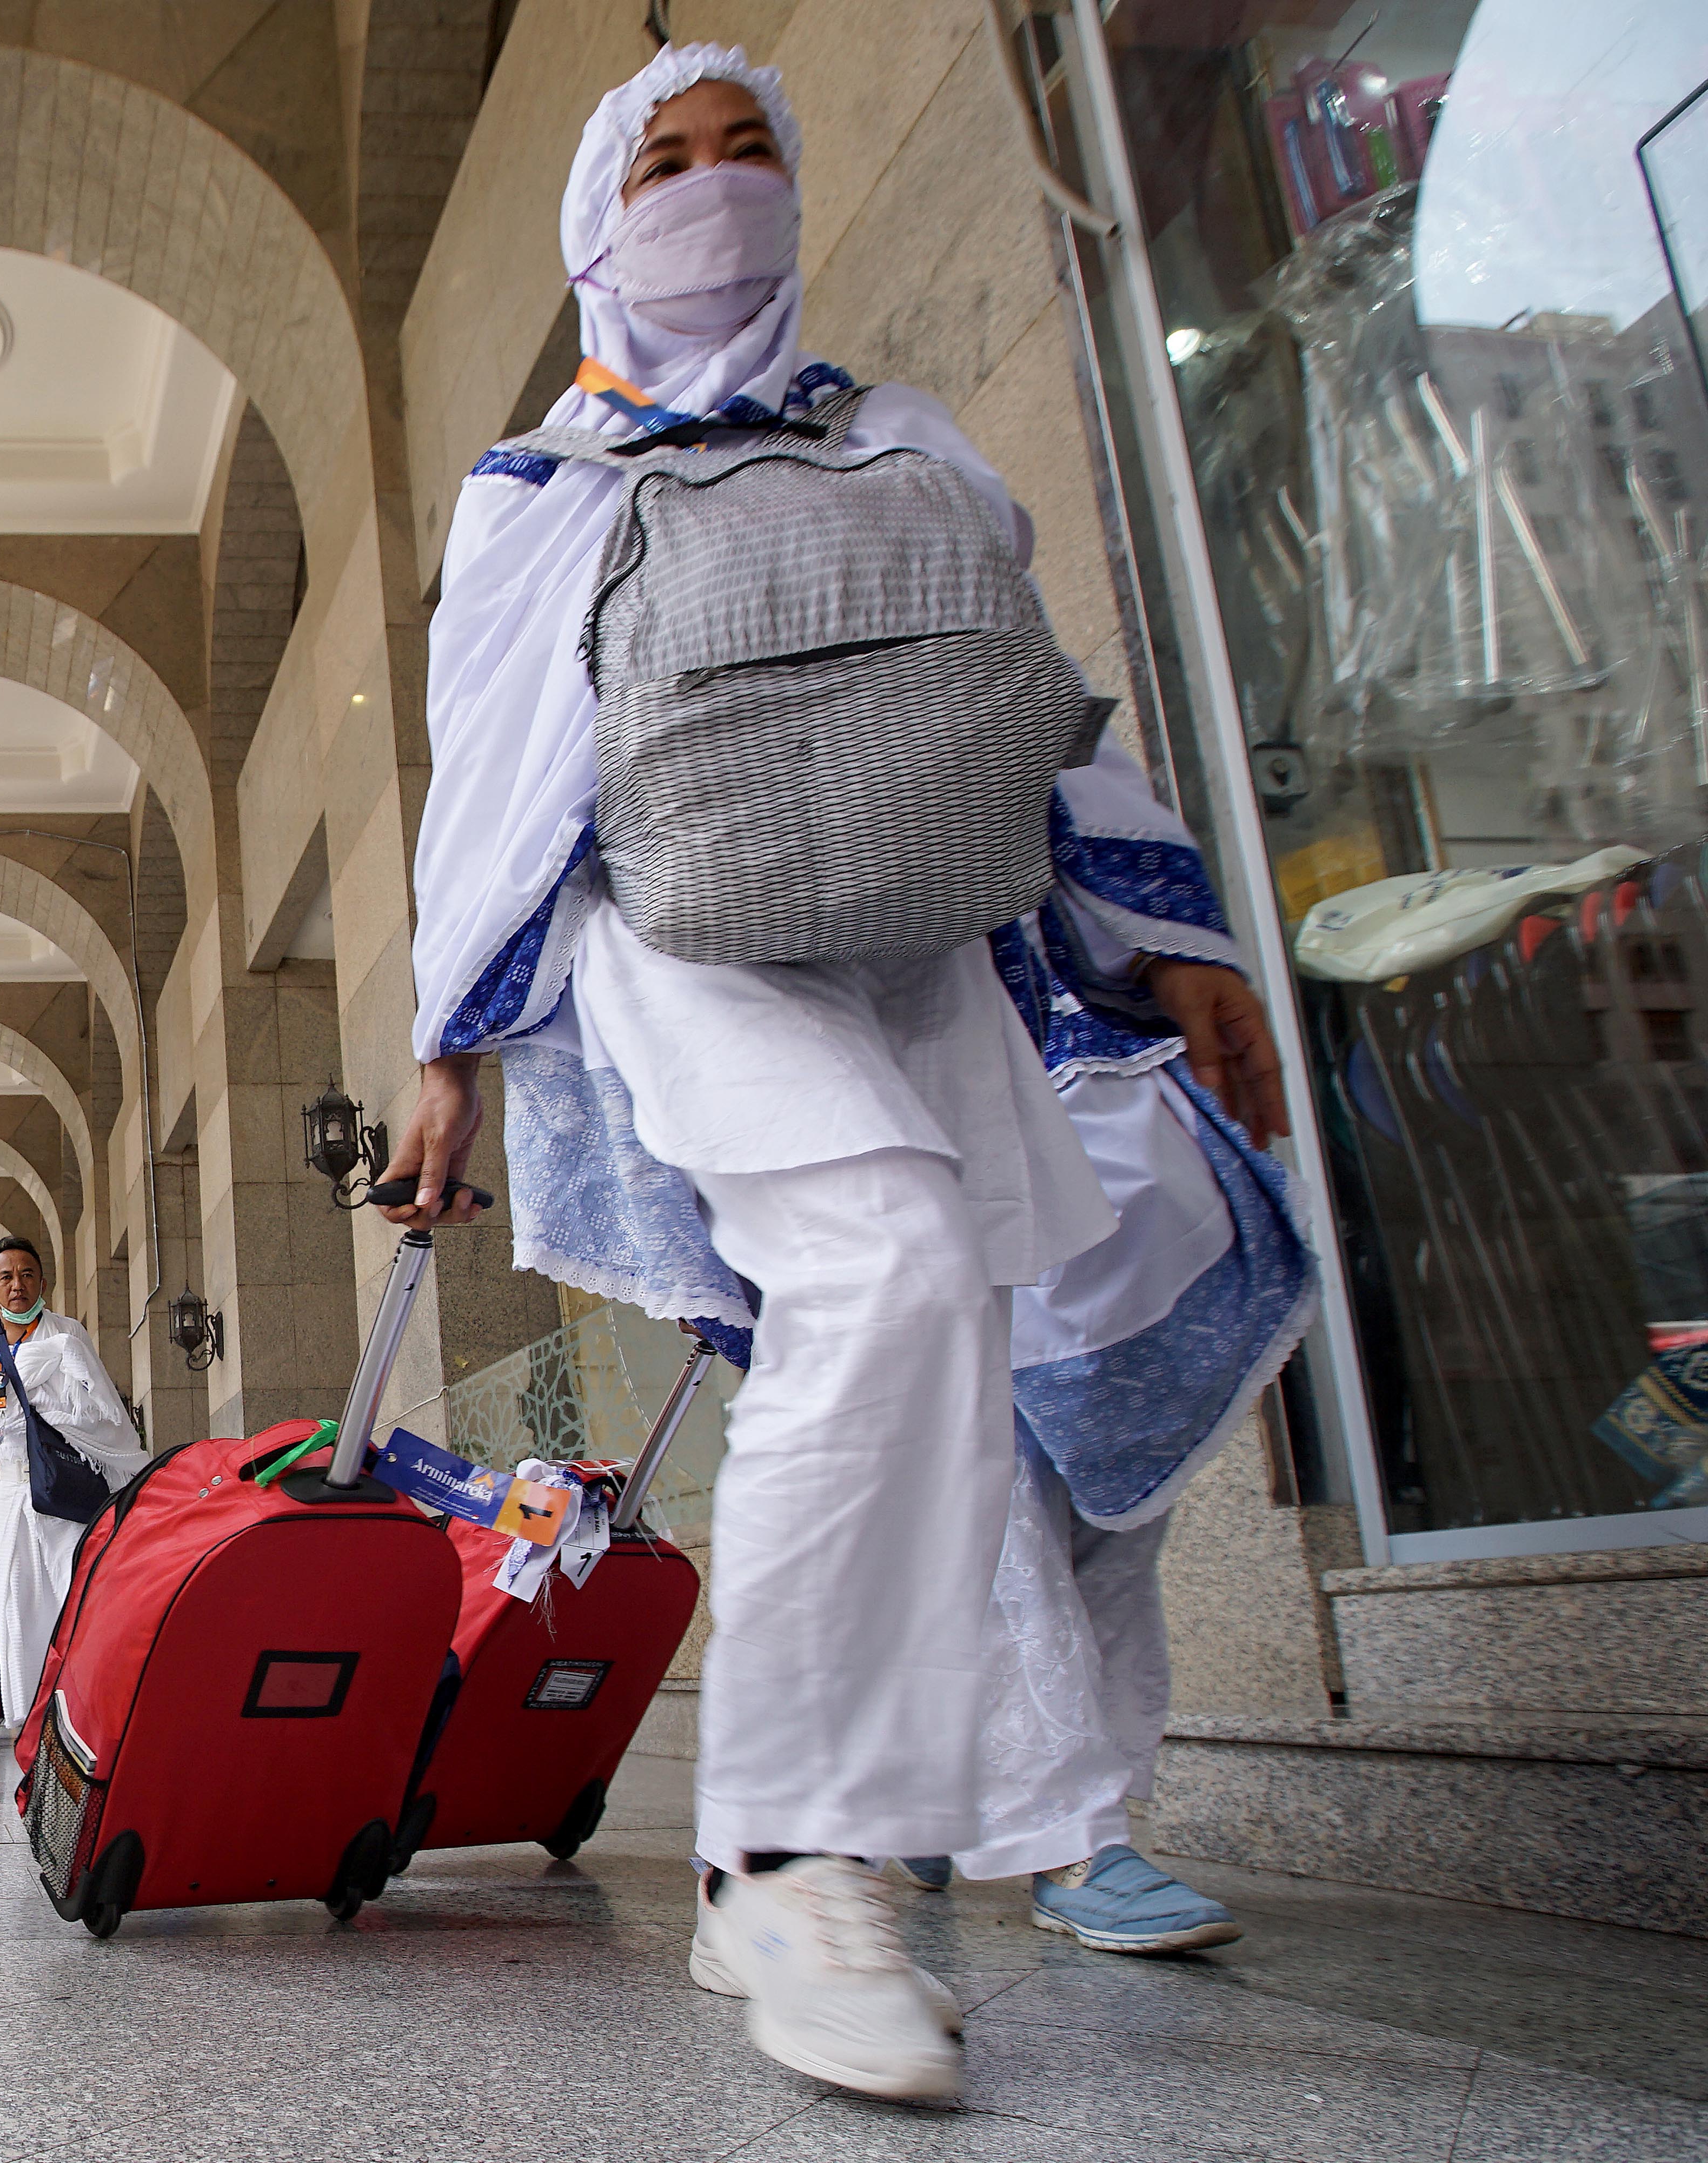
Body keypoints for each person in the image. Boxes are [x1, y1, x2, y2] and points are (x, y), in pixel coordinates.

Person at [380, 45, 1289, 2101]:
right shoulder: (544, 485)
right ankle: (799, 1852)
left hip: (919, 933)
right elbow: (495, 785)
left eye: (744, 151)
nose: (710, 192)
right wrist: (446, 1052)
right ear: (597, 226)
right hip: (677, 926)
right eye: (664, 165)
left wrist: (1172, 939)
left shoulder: (898, 433)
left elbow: (1027, 688)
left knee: (931, 1315)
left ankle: (770, 1860)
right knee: (877, 1258)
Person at [883, 781, 1315, 1947]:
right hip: (881, 1079)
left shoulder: (973, 618)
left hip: (1078, 1085)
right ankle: (1076, 1831)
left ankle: (970, 1783)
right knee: (980, 1471)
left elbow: (1070, 749)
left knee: (1105, 1480)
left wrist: (1170, 941)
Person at [0, 1238, 145, 1729]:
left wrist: (51, 1413)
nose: (17, 1284)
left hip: (63, 1486)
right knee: (16, 1596)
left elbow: (103, 1415)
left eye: (27, 1274)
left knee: (75, 1588)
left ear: (42, 1284)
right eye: (6, 1277)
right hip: (5, 1492)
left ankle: (88, 1705)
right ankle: (28, 1715)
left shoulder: (67, 1337)